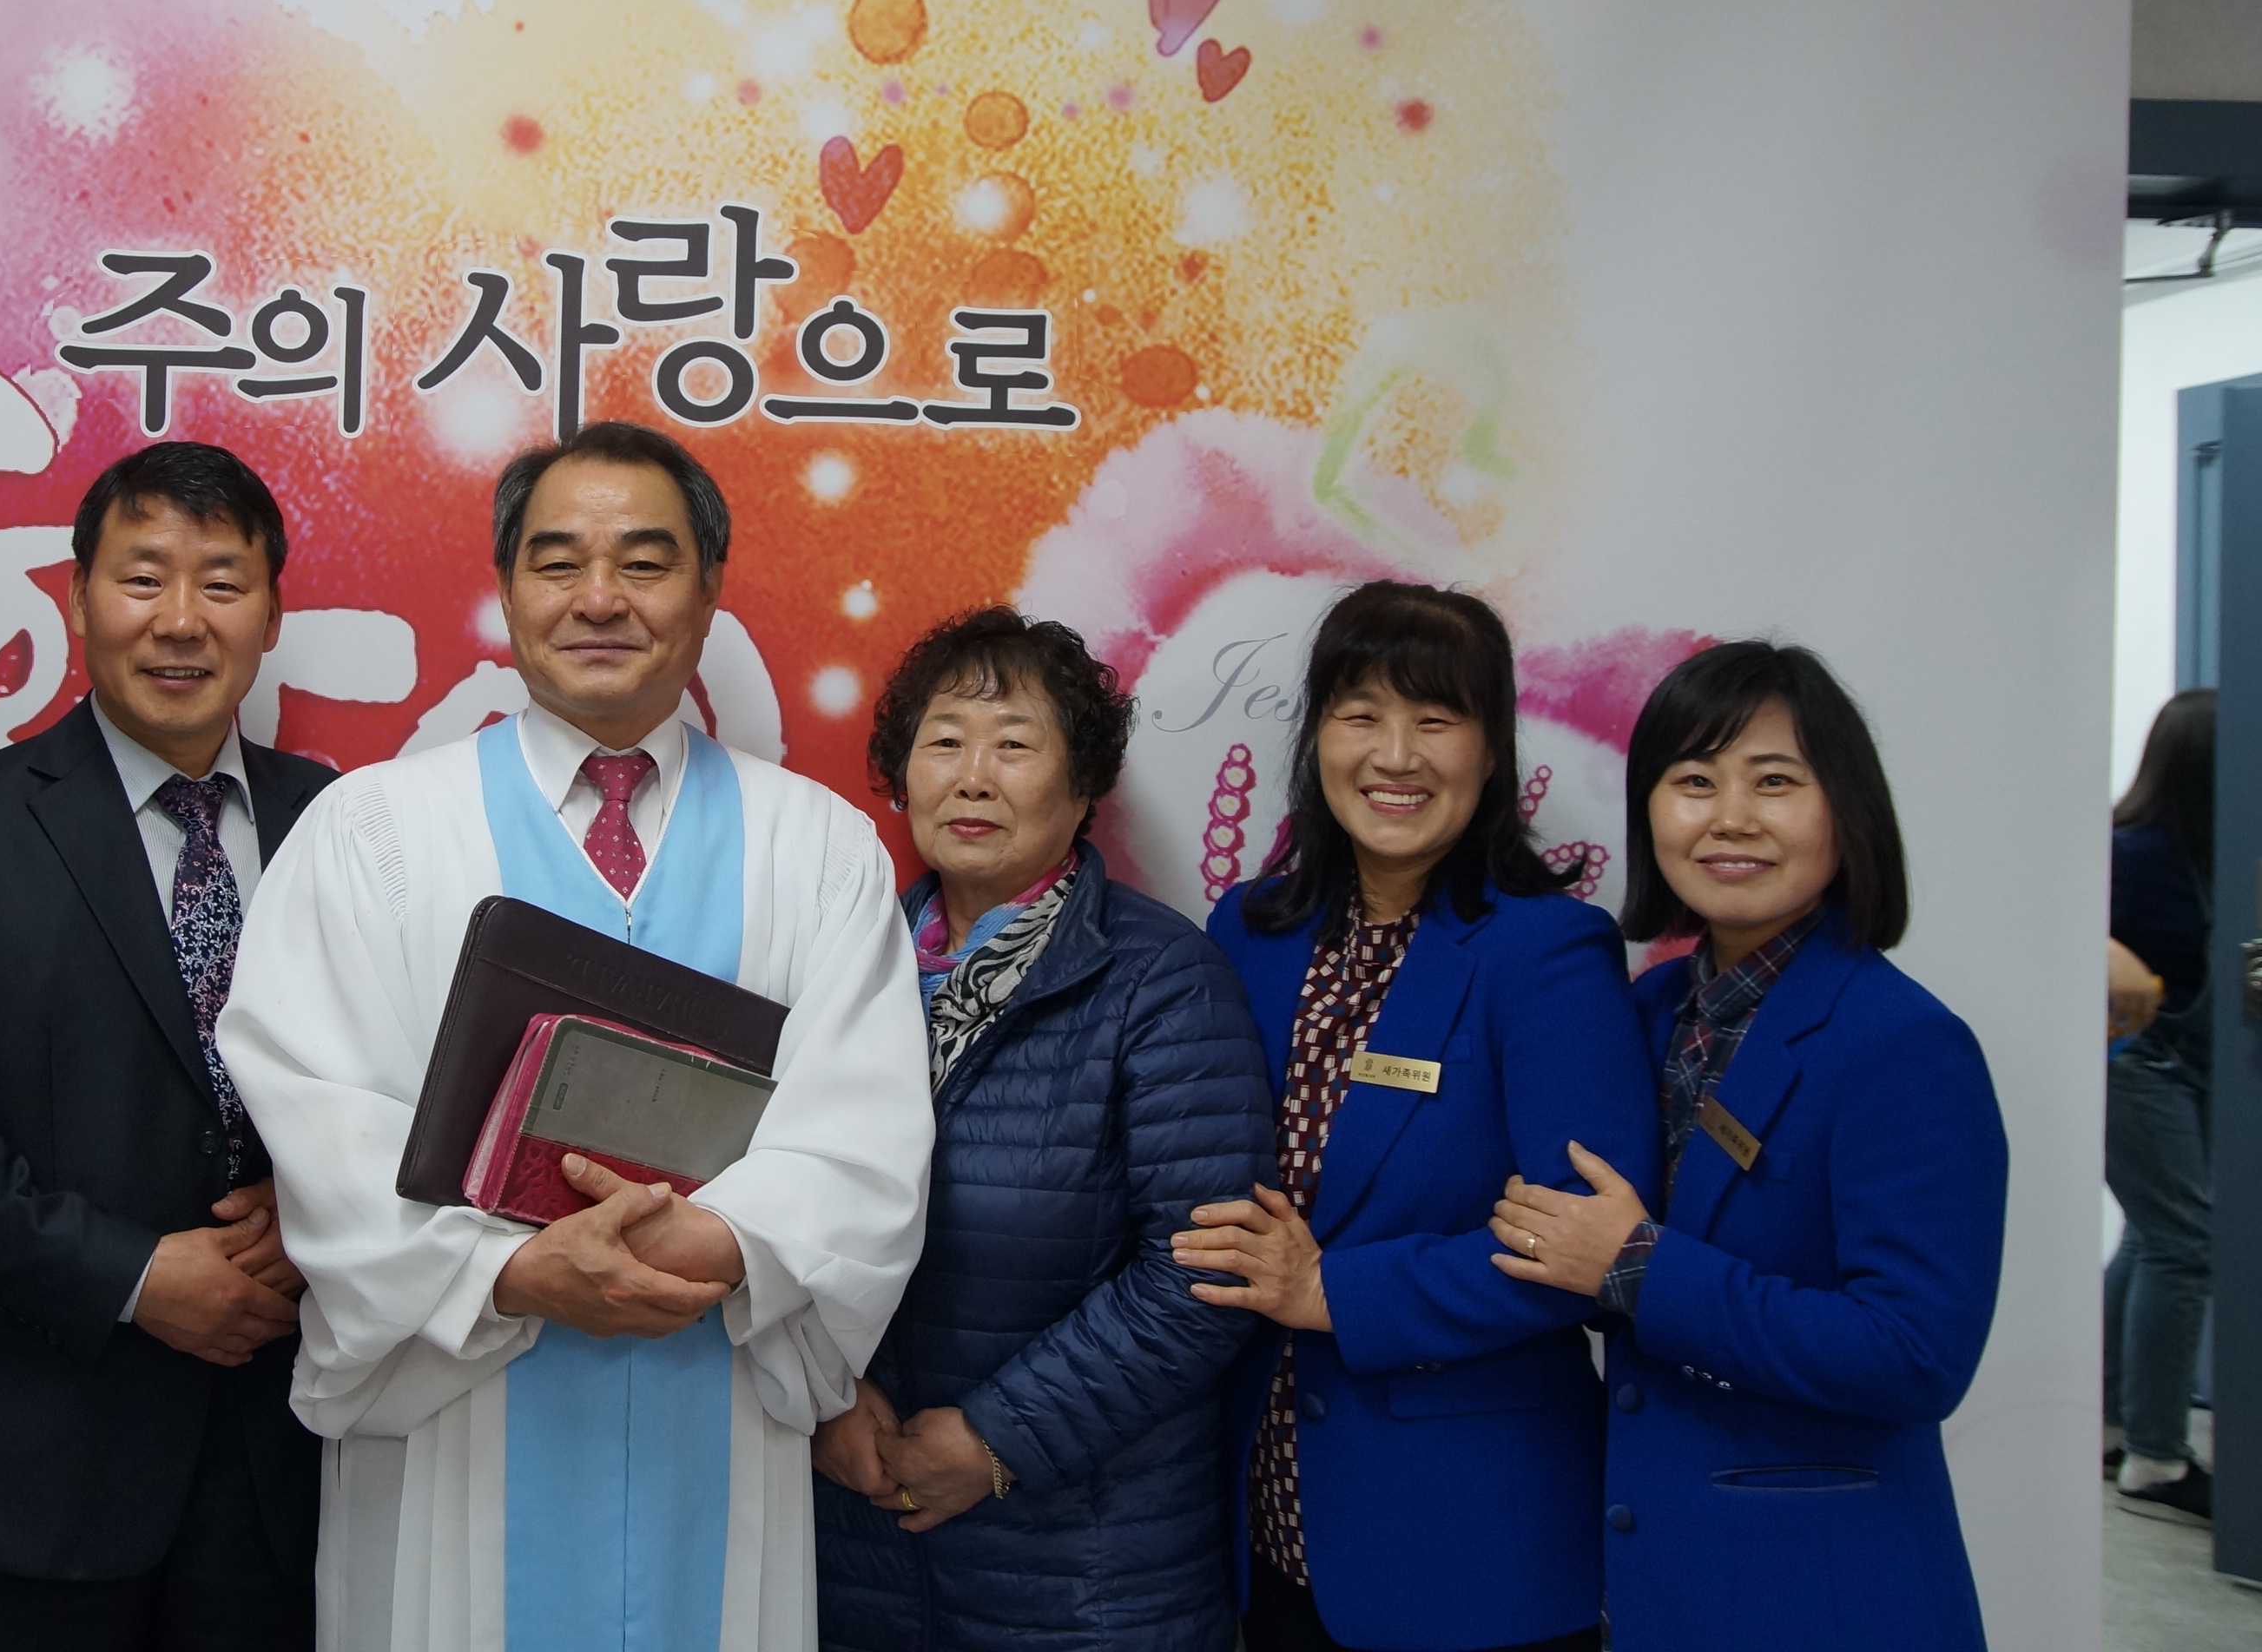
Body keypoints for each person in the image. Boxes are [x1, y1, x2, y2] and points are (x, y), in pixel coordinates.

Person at [219, 420, 934, 1652]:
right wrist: (506, 1273)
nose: (599, 597)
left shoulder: (815, 847)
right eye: (557, 562)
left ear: (708, 590)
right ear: (507, 591)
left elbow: (862, 1130)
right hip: (459, 1403)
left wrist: (717, 1242)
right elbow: (317, 1108)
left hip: (715, 1398)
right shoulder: (375, 831)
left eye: (644, 562)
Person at [0, 443, 338, 1650]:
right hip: (32, 1469)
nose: (180, 620)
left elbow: (402, 1079)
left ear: (271, 615)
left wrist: (323, 1203)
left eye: (222, 584)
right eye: (142, 577)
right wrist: (134, 1274)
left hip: (281, 1463)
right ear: (76, 598)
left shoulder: (338, 818)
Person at [1487, 641, 2006, 1652]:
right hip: (1650, 1580)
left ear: (1844, 810)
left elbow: (1914, 1354)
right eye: (1693, 781)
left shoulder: (1903, 1044)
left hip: (1822, 1591)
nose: (1729, 817)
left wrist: (1635, 1265)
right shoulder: (1644, 1012)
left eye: (1774, 781)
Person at [1172, 580, 1655, 1652]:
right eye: (1360, 714)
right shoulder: (1247, 930)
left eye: (1436, 719)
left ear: (1490, 751)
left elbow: (1582, 1250)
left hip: (1470, 1545)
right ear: (1318, 737)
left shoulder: (1546, 952)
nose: (1395, 755)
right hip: (1266, 1521)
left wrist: (1329, 1291)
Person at [812, 609, 1275, 1652]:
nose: (973, 778)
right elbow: (765, 1200)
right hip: (858, 1541)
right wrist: (818, 1391)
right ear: (902, 777)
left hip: (1089, 1573)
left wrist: (997, 1437)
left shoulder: (1164, 981)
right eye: (944, 741)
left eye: (1014, 744)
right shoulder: (839, 961)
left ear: (1081, 786)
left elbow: (1203, 1273)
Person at [2101, 689, 2216, 1520]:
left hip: (2186, 1064)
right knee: (2184, 1243)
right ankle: (2156, 1455)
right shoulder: (2130, 854)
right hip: (2136, 1065)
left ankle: (2110, 1421)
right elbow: (2055, 923)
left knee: (2154, 1236)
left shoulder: (2211, 854)